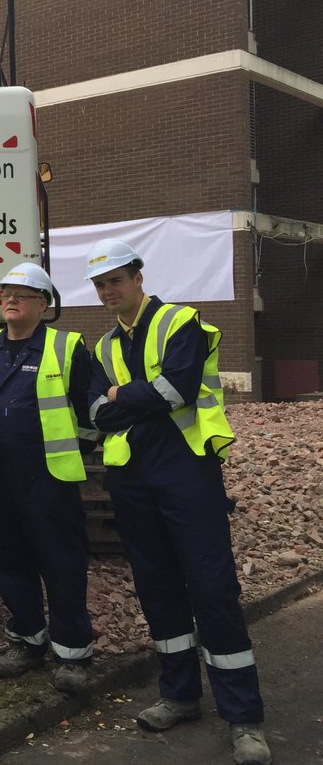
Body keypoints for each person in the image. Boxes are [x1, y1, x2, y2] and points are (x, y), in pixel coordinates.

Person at [84, 239, 270, 765]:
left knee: (212, 588)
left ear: (138, 278)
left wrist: (126, 396)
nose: (108, 291)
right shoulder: (102, 349)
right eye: (100, 285)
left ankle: (244, 717)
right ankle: (180, 695)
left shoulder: (180, 323)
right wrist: (131, 398)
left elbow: (179, 390)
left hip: (188, 469)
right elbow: (99, 413)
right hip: (133, 477)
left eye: (116, 280)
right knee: (157, 586)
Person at [0, 263, 98, 692]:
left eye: (22, 294)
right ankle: (27, 640)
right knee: (7, 559)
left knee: (60, 562)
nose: (10, 299)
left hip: (47, 478)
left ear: (43, 305)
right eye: (6, 292)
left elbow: (93, 412)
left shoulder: (67, 347)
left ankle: (73, 653)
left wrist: (74, 450)